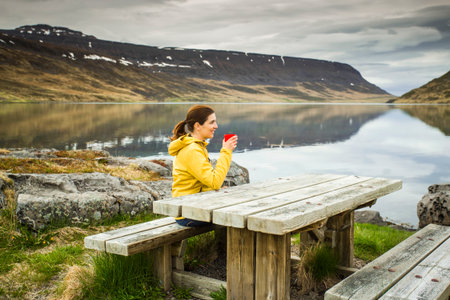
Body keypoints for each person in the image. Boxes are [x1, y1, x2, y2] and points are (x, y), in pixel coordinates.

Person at [168, 105, 238, 227]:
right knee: (236, 212)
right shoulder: (192, 150)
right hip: (187, 213)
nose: (216, 126)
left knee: (235, 206)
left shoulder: (197, 146)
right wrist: (226, 151)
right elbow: (215, 182)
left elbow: (202, 182)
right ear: (197, 126)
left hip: (193, 206)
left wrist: (214, 191)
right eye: (212, 122)